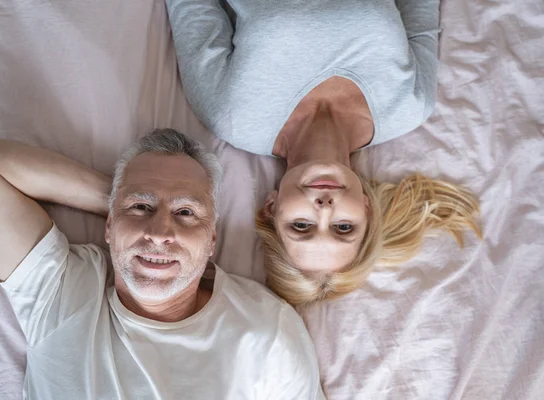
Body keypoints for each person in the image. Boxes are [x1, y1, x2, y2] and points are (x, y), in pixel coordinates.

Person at [0, 129, 325, 399]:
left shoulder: (267, 333)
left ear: (212, 238)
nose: (160, 232)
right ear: (109, 226)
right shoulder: (64, 294)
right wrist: (117, 203)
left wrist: (130, 209)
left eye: (185, 212)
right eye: (142, 208)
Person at [165, 0, 481, 305]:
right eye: (344, 227)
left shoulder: (231, 115)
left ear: (271, 208)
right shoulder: (409, 105)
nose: (324, 208)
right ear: (367, 210)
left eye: (301, 225)